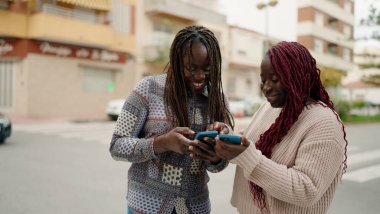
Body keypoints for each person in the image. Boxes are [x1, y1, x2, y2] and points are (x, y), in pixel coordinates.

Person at [109, 25, 234, 214]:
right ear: (176, 62)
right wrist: (162, 143)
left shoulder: (217, 99)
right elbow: (116, 147)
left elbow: (218, 166)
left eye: (207, 69)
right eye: (191, 68)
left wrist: (216, 155)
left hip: (195, 207)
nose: (200, 76)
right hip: (145, 205)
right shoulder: (147, 89)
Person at [213, 41, 348, 214]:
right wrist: (224, 138)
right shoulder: (269, 108)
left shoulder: (324, 123)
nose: (267, 88)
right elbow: (249, 144)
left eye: (275, 80)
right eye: (263, 80)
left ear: (297, 76)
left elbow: (306, 190)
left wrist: (246, 155)